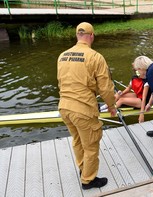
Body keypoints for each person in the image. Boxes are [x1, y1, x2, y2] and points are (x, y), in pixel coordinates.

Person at [57, 22, 117, 190]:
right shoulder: (95, 57)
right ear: (91, 36)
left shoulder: (62, 55)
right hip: (83, 110)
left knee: (77, 140)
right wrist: (111, 106)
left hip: (64, 107)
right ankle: (88, 180)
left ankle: (83, 169)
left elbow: (61, 82)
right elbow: (105, 88)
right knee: (91, 145)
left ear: (77, 35)